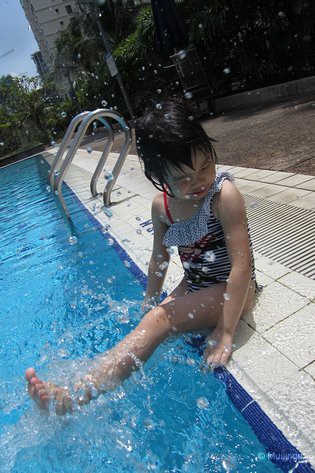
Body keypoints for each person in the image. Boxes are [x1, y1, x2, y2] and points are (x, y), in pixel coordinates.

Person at [26, 100, 259, 415]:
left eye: (206, 166)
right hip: (197, 284)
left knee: (159, 321)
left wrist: (226, 331)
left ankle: (77, 396)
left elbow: (242, 267)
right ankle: (83, 379)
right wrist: (150, 299)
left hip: (235, 290)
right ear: (158, 176)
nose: (200, 180)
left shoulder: (223, 196)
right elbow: (158, 262)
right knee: (149, 321)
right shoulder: (161, 207)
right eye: (184, 178)